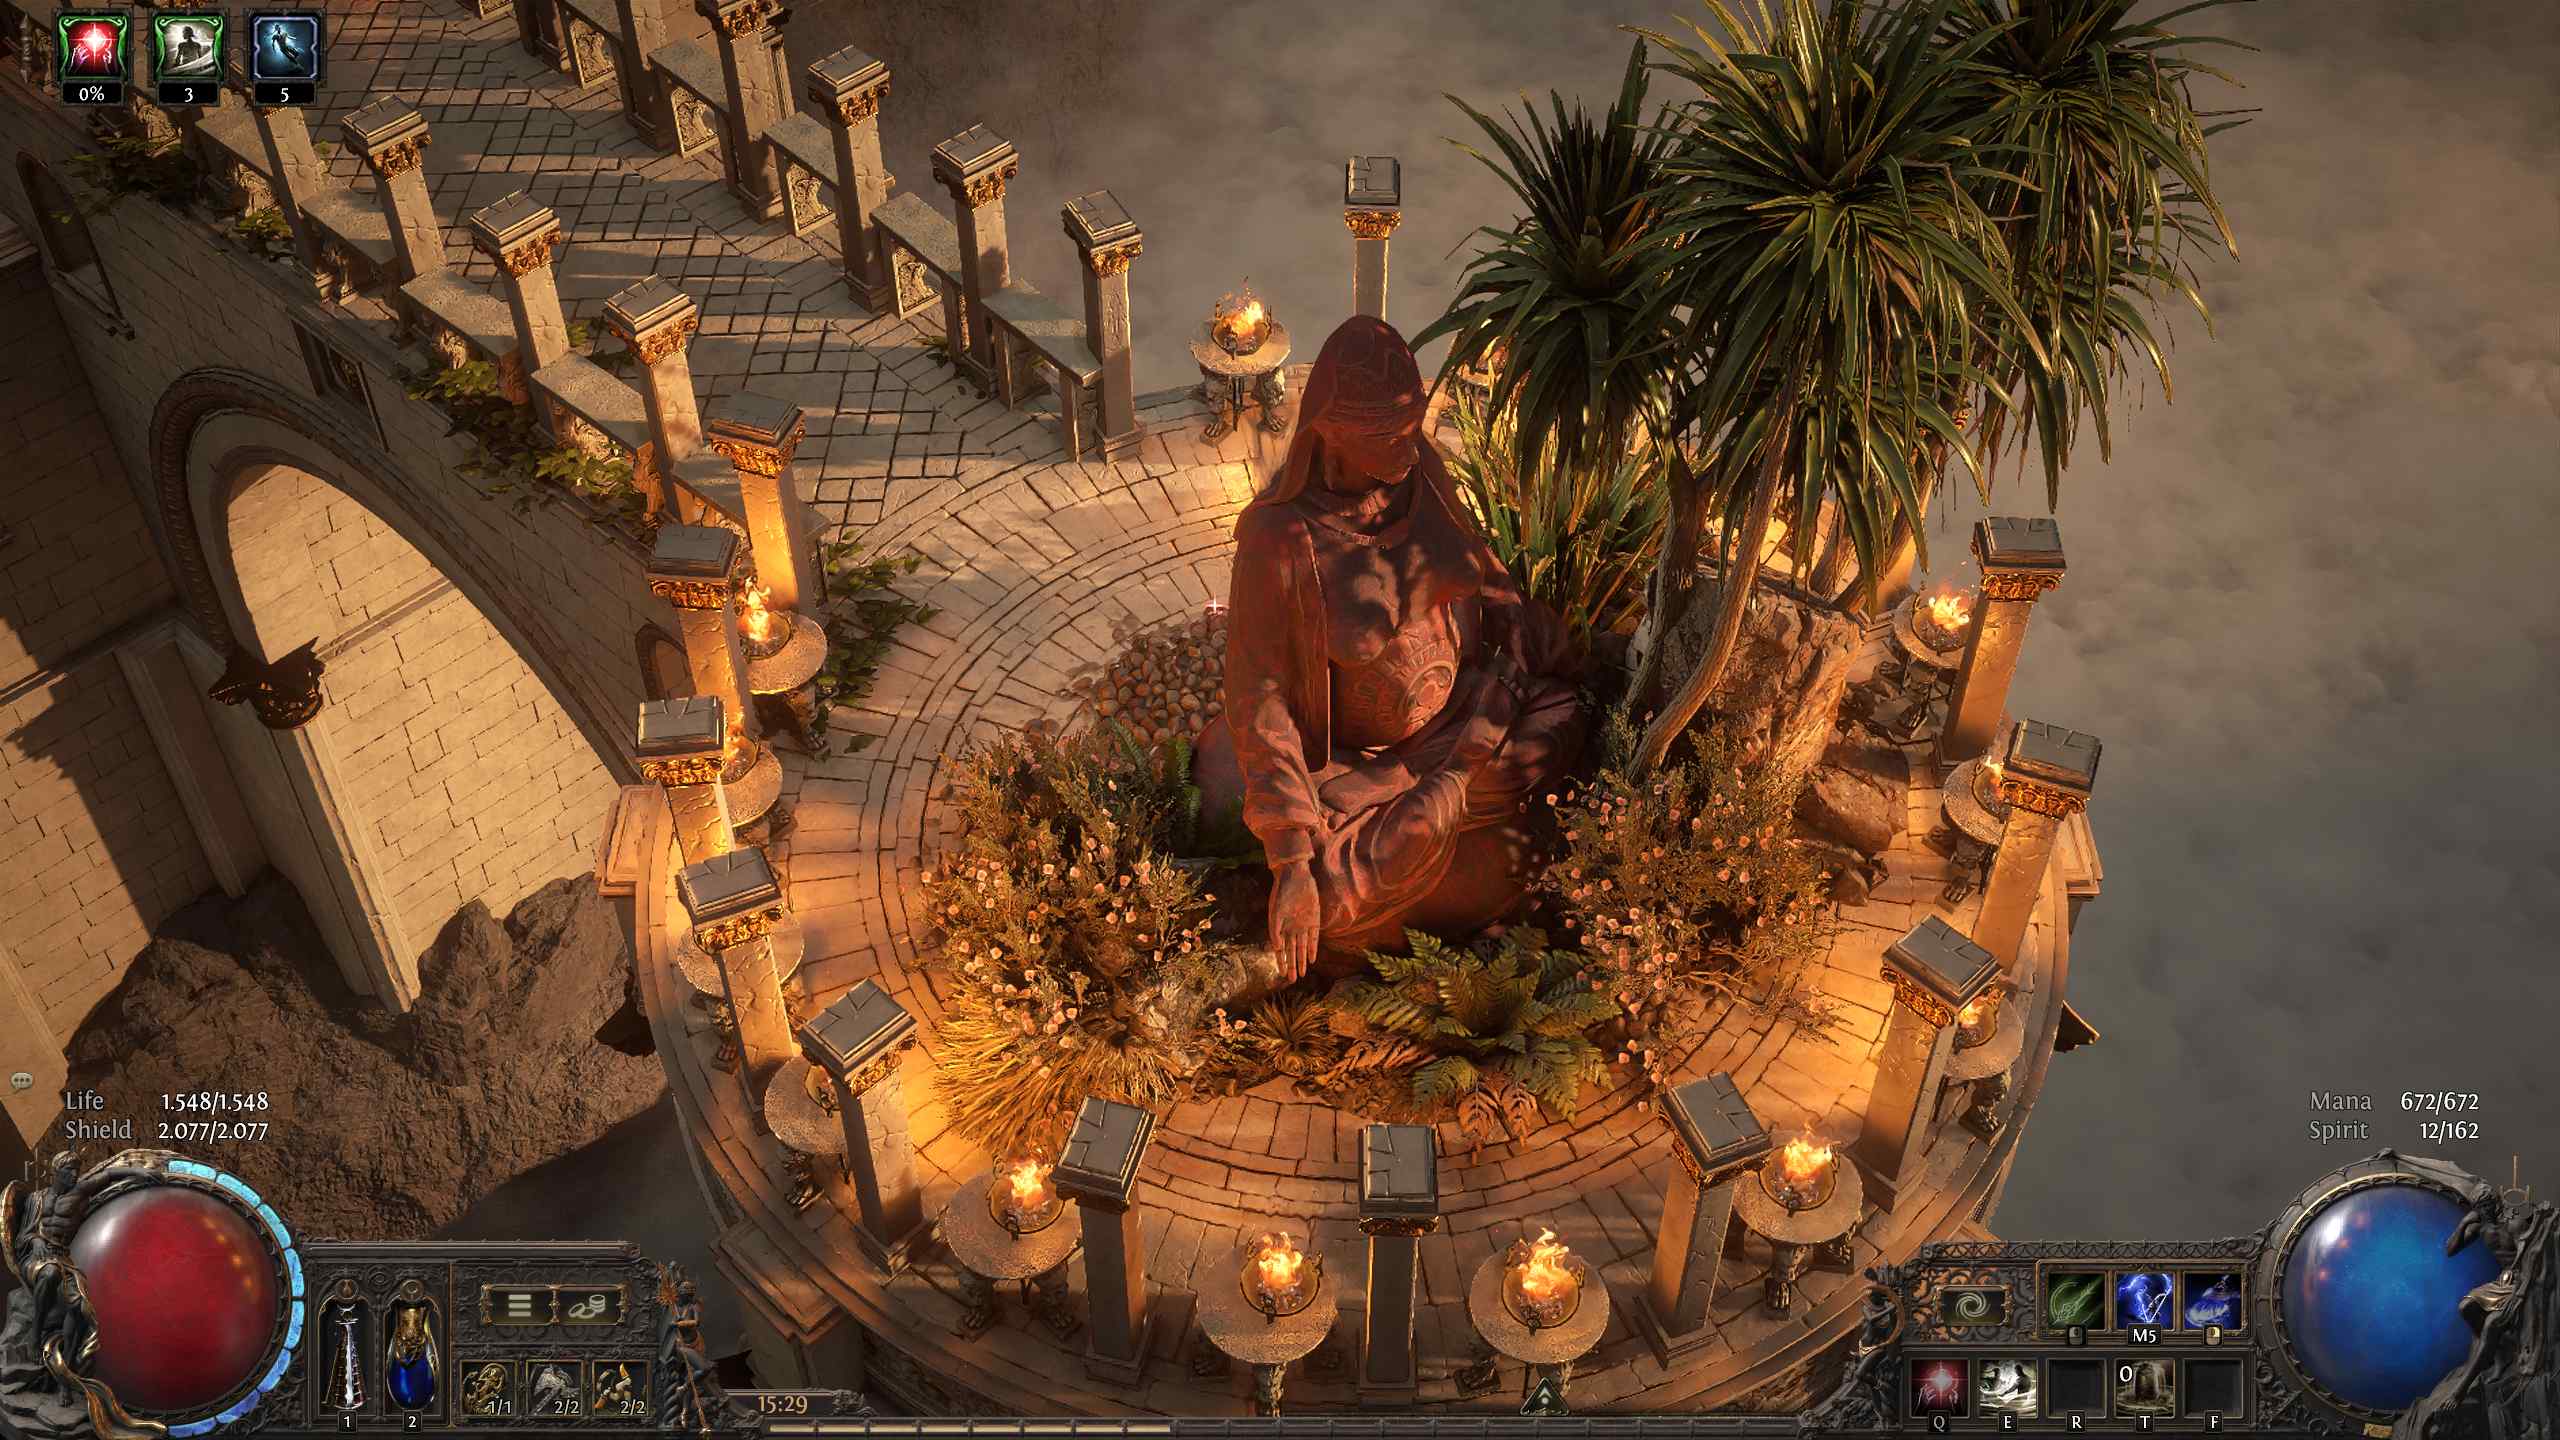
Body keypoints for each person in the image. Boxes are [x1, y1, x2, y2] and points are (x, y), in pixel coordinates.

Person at [1198, 315, 1585, 981]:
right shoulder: (1281, 539)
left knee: (1564, 717)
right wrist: (1291, 861)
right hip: (1344, 761)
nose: (1410, 448)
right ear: (1332, 430)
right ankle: (1396, 827)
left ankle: (1415, 788)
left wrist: (1521, 637)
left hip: (1457, 726)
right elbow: (1259, 698)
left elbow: (1487, 577)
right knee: (1332, 880)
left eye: (1413, 427)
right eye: (1389, 435)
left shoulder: (1419, 477)